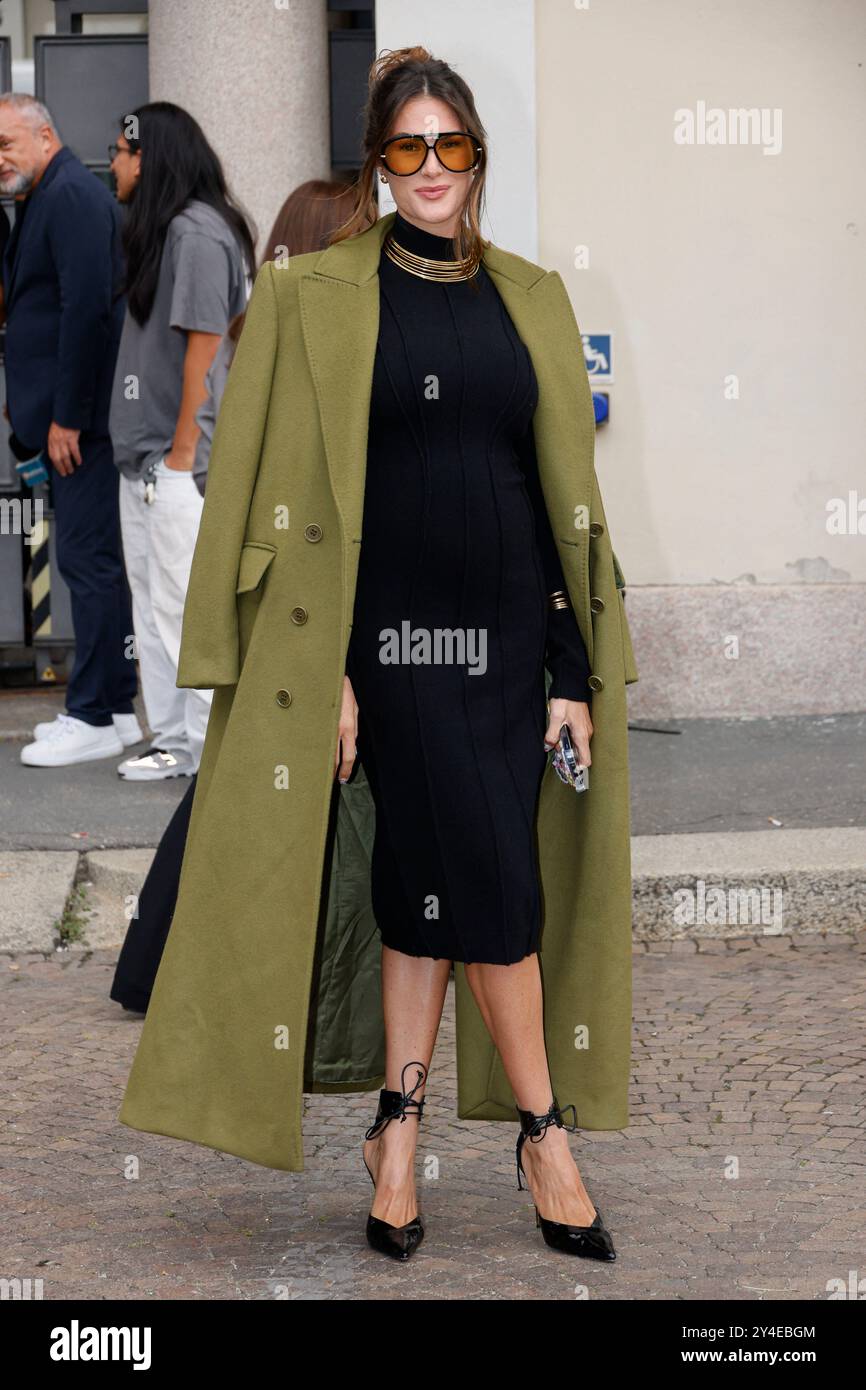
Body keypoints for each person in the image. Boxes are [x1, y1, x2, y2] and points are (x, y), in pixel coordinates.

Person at [119, 47, 637, 1268]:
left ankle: (394, 1132)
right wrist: (328, 675)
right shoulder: (314, 296)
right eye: (404, 149)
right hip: (390, 648)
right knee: (494, 885)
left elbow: (559, 500)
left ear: (475, 158)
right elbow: (263, 499)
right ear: (377, 164)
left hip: (510, 642)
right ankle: (542, 1135)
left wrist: (571, 669)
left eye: (447, 146)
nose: (429, 169)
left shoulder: (531, 298)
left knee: (426, 887)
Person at [110, 181, 363, 1012]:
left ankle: (156, 960)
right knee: (252, 783)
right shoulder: (303, 335)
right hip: (299, 591)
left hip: (277, 585)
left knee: (237, 782)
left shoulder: (271, 329)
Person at [108, 102, 255, 780]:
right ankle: (173, 740)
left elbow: (205, 346)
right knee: (156, 606)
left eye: (123, 151)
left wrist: (182, 455)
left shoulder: (197, 234)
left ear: (152, 157)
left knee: (185, 608)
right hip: (145, 462)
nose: (114, 162)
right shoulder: (168, 234)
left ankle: (208, 755)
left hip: (179, 466)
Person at [0, 94, 141, 766]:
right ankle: (113, 710)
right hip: (66, 416)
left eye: (6, 144)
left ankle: (91, 713)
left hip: (80, 424)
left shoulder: (73, 197)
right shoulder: (44, 196)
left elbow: (87, 311)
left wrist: (66, 415)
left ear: (45, 133)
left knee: (88, 564)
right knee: (90, 563)